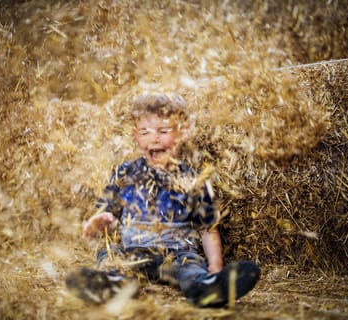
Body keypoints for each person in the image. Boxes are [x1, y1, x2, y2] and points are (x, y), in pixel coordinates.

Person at [65, 93, 259, 308]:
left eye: (163, 131)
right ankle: (112, 285)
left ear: (182, 132)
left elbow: (208, 228)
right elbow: (109, 218)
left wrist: (216, 267)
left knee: (192, 268)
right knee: (111, 257)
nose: (154, 138)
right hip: (133, 251)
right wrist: (99, 222)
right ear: (136, 135)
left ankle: (207, 287)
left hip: (177, 254)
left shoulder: (193, 180)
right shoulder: (124, 174)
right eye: (146, 132)